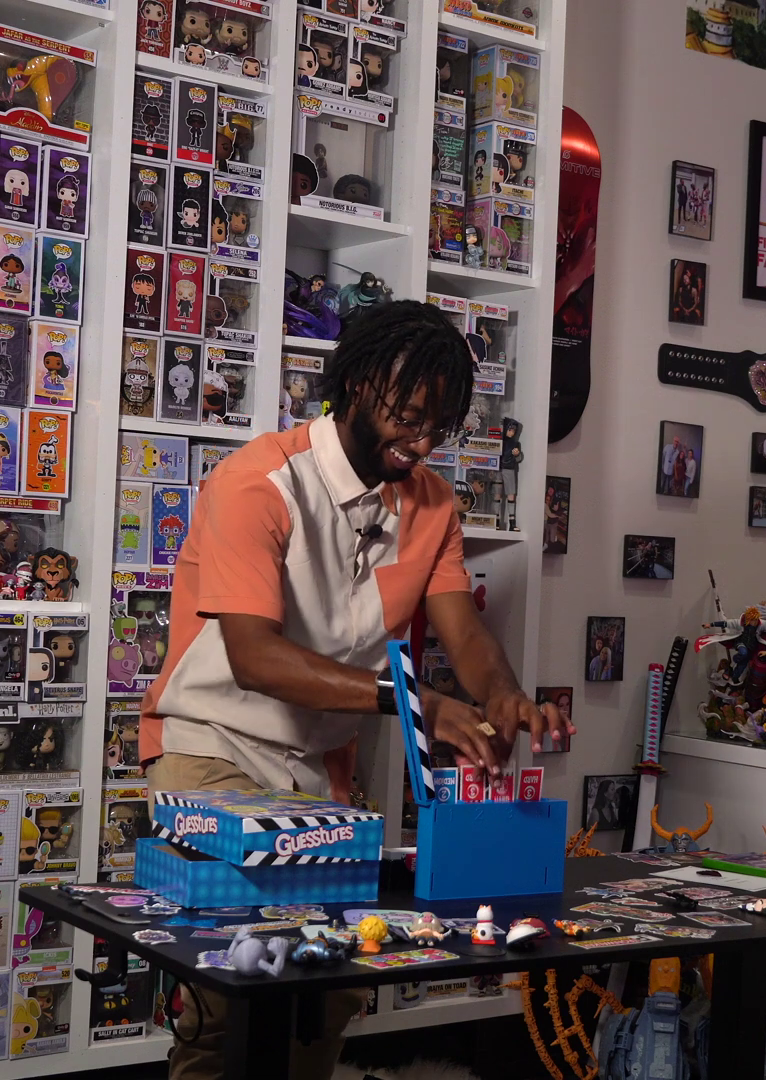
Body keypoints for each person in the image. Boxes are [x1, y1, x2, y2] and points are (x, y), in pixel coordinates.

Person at [141, 301, 571, 1080]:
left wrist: (504, 695)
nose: (424, 443)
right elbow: (254, 659)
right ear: (357, 387)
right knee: (231, 989)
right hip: (208, 750)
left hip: (318, 768)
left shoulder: (433, 504)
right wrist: (416, 702)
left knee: (333, 979)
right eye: (409, 419)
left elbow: (465, 634)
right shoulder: (256, 483)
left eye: (439, 427)